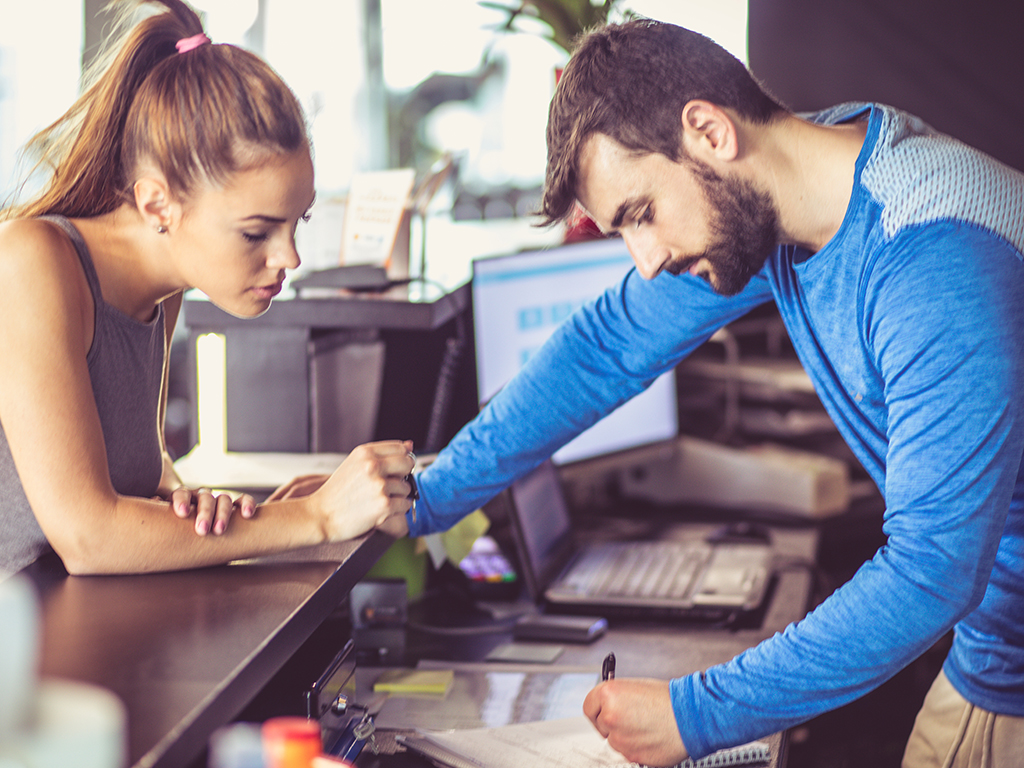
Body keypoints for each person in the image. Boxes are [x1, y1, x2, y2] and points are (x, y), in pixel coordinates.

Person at [393, 18, 1024, 768]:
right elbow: (607, 345)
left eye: (641, 214)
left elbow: (932, 571)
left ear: (708, 131)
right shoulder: (795, 190)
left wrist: (694, 715)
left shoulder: (930, 255)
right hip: (998, 642)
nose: (647, 259)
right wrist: (424, 499)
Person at [0, 0, 415, 577]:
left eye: (299, 223)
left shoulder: (165, 291)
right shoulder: (31, 263)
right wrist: (315, 516)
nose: (288, 257)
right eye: (256, 232)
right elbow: (88, 535)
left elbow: (142, 474)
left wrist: (211, 508)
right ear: (157, 205)